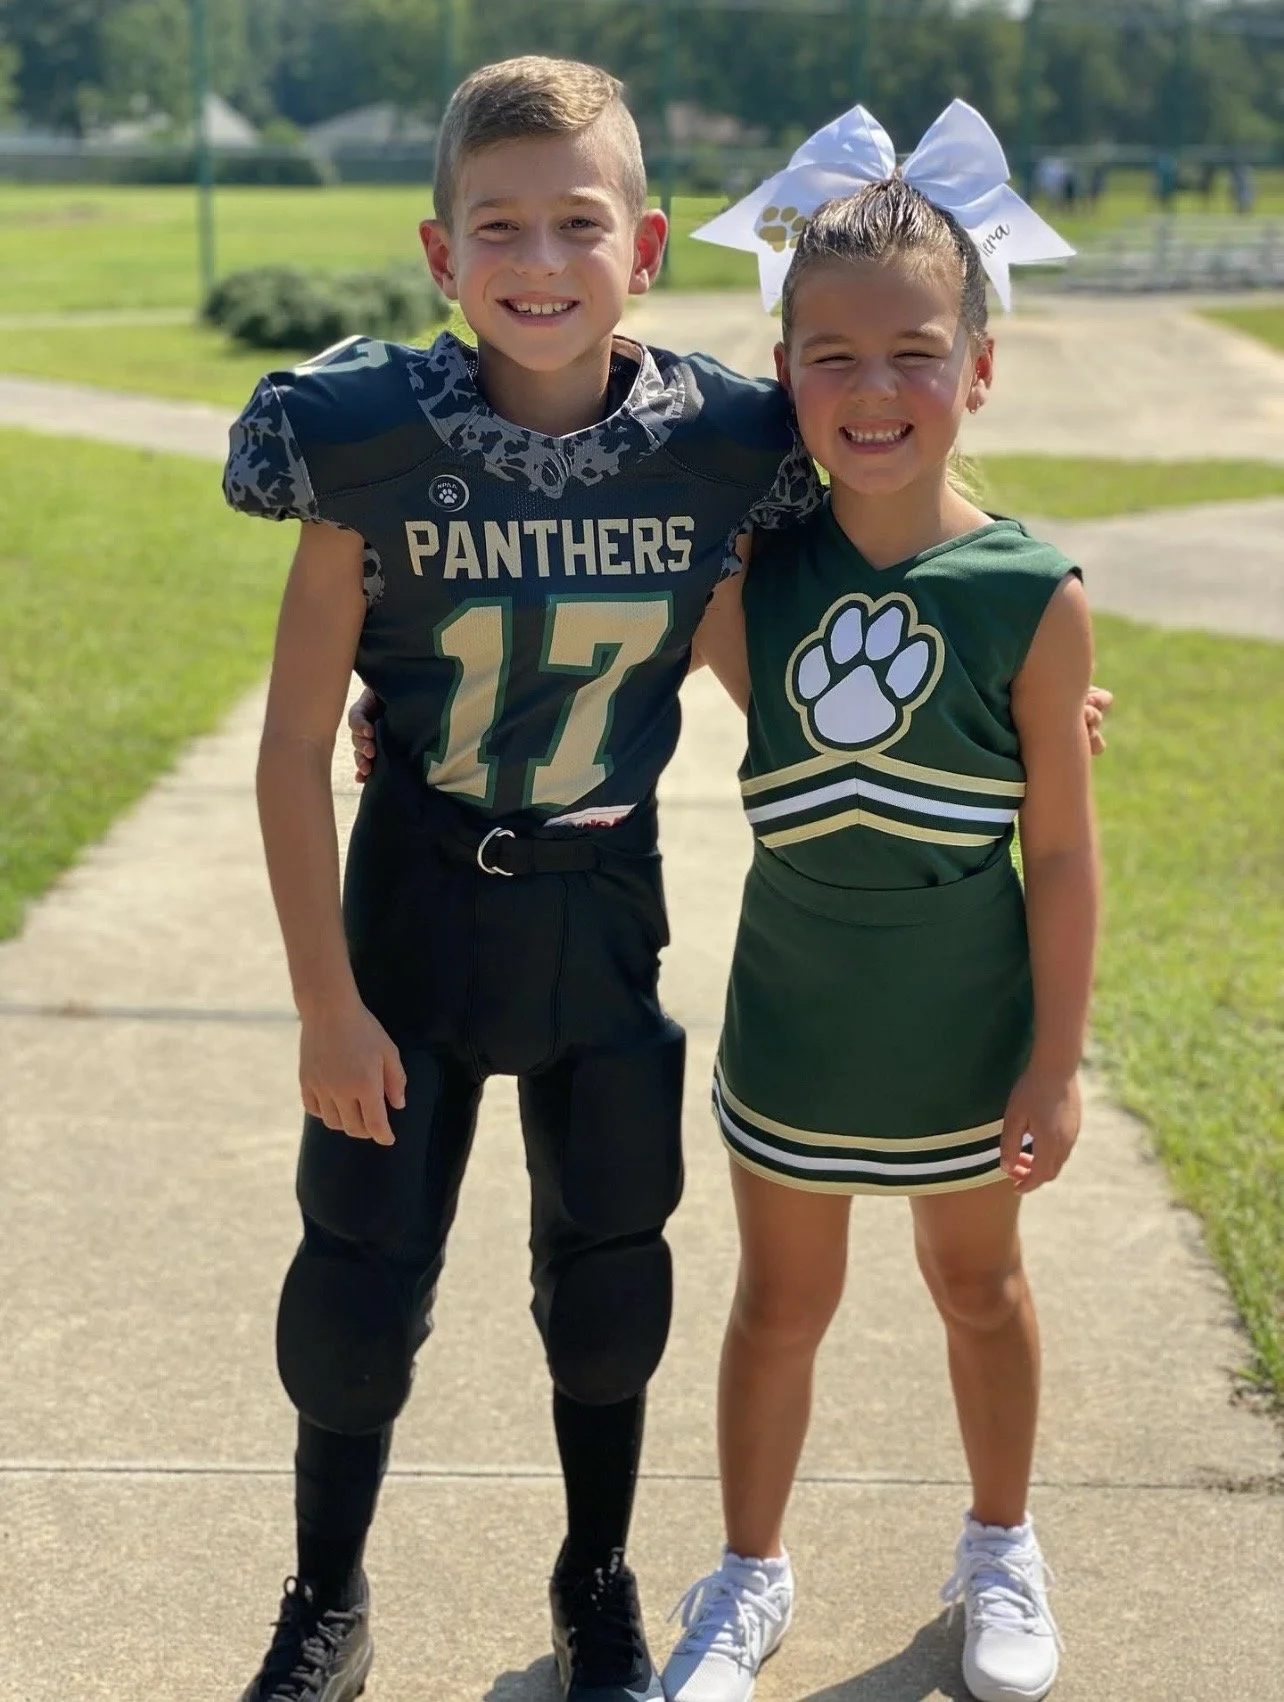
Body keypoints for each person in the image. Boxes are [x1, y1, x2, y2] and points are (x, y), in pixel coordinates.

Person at [221, 54, 825, 1702]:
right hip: (412, 899)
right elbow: (289, 748)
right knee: (356, 1283)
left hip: (598, 899)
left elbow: (767, 670)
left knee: (612, 1271)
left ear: (648, 244)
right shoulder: (358, 441)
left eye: (579, 223)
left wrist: (1014, 701)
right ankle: (327, 1597)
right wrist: (323, 1006)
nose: (539, 262)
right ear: (439, 253)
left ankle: (599, 1581)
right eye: (501, 226)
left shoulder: (716, 445)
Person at [652, 105, 1097, 1702]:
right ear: (784, 375)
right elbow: (594, 638)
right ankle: (748, 1575)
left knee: (980, 1286)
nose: (873, 389)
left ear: (981, 367)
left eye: (913, 351)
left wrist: (1056, 1057)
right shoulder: (749, 580)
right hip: (799, 1025)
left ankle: (1001, 1545)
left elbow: (1060, 852)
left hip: (965, 1034)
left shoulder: (1033, 596)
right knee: (780, 1302)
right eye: (826, 356)